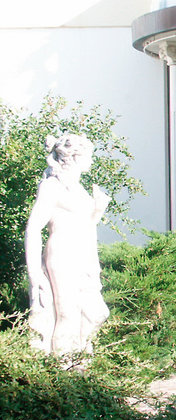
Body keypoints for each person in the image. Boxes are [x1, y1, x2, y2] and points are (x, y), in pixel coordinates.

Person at [25, 133, 111, 355]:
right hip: (62, 254)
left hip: (84, 254)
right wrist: (34, 273)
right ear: (74, 157)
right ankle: (63, 367)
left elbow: (84, 225)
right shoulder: (52, 186)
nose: (91, 160)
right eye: (89, 155)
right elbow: (33, 228)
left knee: (93, 313)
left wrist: (98, 210)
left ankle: (80, 362)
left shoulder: (78, 188)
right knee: (68, 315)